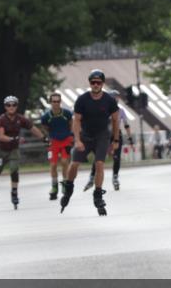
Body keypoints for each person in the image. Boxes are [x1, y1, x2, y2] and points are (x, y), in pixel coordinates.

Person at [60, 69, 119, 215]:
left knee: (99, 164)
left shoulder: (109, 100)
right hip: (85, 136)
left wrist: (116, 139)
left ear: (102, 84)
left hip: (102, 135)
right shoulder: (82, 99)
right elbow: (76, 120)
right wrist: (77, 139)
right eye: (93, 82)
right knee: (74, 163)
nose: (96, 85)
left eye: (98, 82)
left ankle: (98, 194)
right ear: (90, 83)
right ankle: (68, 186)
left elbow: (116, 120)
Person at [0, 96, 45, 209]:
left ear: (16, 106)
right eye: (8, 105)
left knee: (14, 170)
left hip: (13, 150)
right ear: (5, 107)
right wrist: (14, 139)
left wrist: (44, 138)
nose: (11, 107)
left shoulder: (20, 119)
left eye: (13, 105)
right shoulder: (1, 120)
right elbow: (0, 136)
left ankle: (14, 193)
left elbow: (33, 128)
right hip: (0, 151)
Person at [84, 95, 134, 192]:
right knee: (99, 157)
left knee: (116, 157)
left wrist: (130, 138)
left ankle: (115, 177)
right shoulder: (104, 109)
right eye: (114, 98)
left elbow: (126, 125)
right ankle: (91, 177)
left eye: (117, 98)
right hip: (104, 135)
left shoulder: (121, 111)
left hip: (117, 135)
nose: (116, 100)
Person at [40, 92, 73, 201]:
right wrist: (49, 136)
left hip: (65, 141)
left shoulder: (67, 113)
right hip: (53, 142)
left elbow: (71, 124)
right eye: (54, 101)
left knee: (64, 162)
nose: (56, 104)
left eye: (58, 101)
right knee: (53, 164)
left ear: (60, 102)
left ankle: (64, 184)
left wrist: (71, 136)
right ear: (50, 102)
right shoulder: (46, 116)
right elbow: (44, 126)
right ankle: (54, 186)